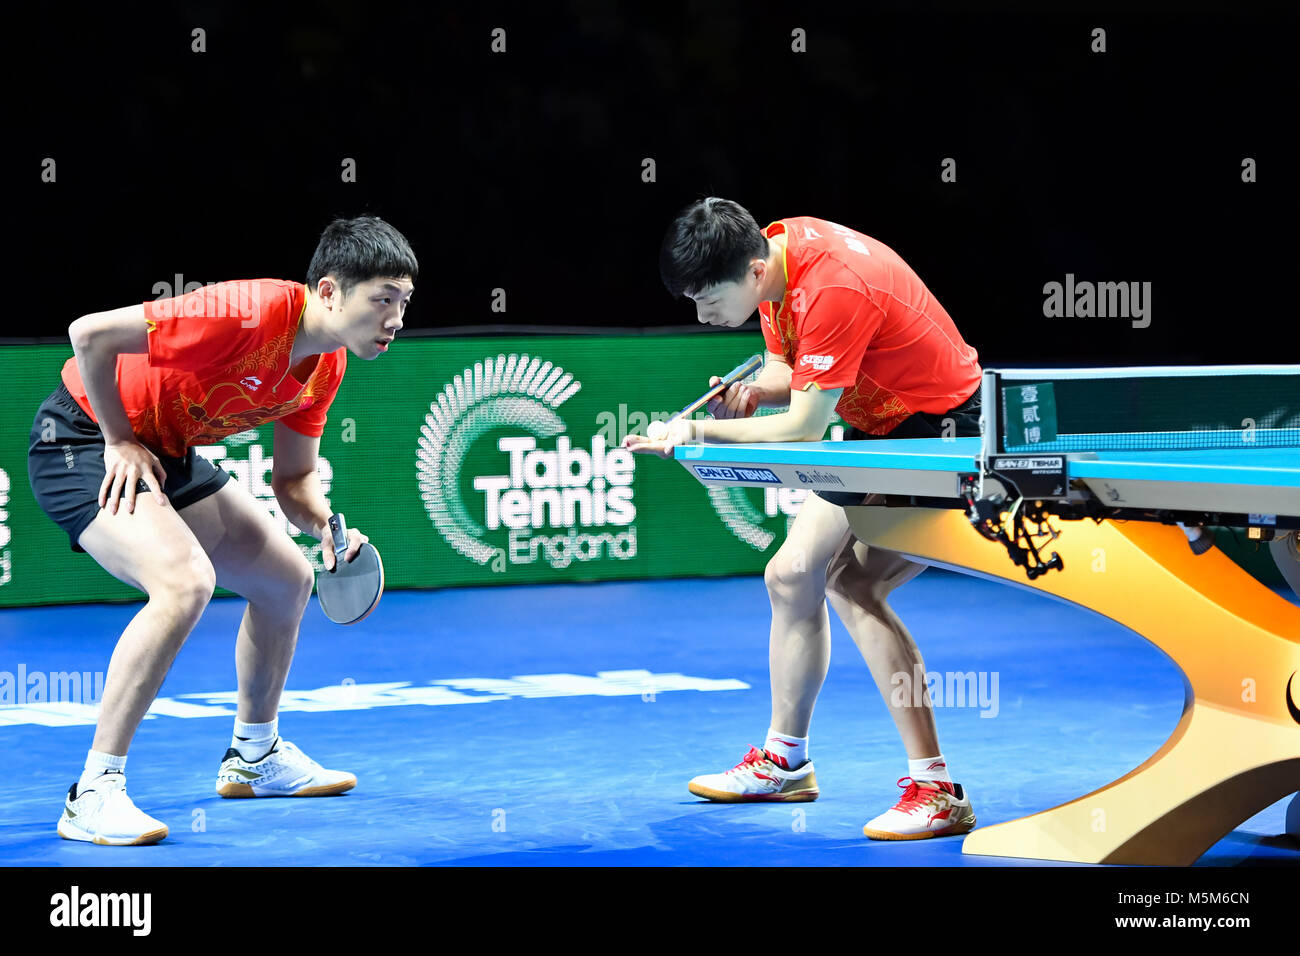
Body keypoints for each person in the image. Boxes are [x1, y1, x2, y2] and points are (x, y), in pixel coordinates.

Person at [27, 215, 417, 845]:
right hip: (81, 437)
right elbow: (89, 334)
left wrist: (325, 526)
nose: (395, 318)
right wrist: (118, 438)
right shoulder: (247, 312)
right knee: (184, 584)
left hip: (167, 452)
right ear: (326, 291)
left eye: (402, 302)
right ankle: (92, 793)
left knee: (288, 579)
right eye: (381, 300)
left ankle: (255, 758)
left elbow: (293, 483)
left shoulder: (325, 368)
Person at [626, 197, 981, 840]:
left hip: (941, 435)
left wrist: (690, 434)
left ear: (754, 272)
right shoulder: (777, 253)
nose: (704, 317)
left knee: (854, 584)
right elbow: (787, 369)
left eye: (708, 301)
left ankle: (937, 789)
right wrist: (757, 391)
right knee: (790, 574)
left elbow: (803, 428)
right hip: (881, 435)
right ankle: (784, 762)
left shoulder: (833, 285)